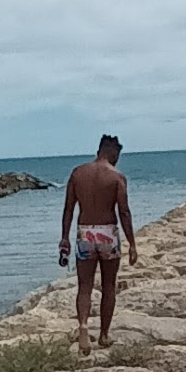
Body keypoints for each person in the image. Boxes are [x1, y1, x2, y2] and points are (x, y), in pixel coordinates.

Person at [59, 133, 138, 354]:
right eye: (117, 156)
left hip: (85, 232)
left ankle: (84, 326)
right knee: (109, 286)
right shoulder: (117, 177)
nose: (117, 160)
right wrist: (132, 243)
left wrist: (64, 237)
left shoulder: (78, 173)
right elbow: (124, 212)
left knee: (84, 286)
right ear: (112, 152)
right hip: (107, 233)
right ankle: (104, 335)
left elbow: (68, 209)